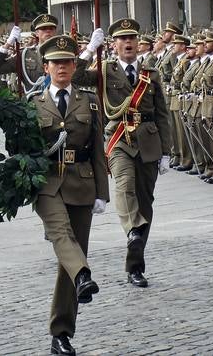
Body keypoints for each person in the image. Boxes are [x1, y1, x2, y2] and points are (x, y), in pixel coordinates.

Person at [75, 18, 171, 288]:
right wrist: (89, 51)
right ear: (114, 44)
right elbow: (75, 76)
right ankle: (132, 229)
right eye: (122, 39)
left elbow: (162, 114)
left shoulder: (150, 73)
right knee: (124, 185)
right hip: (119, 140)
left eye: (132, 38)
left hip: (149, 142)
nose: (128, 43)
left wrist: (167, 151)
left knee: (145, 204)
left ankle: (135, 266)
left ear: (138, 43)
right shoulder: (104, 70)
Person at [32, 34, 108, 356]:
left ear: (74, 66)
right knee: (63, 236)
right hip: (48, 183)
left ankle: (61, 333)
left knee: (69, 258)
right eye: (55, 62)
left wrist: (102, 193)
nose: (61, 67)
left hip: (82, 182)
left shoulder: (89, 101)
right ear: (46, 67)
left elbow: (98, 150)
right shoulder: (33, 105)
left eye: (67, 62)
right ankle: (85, 273)